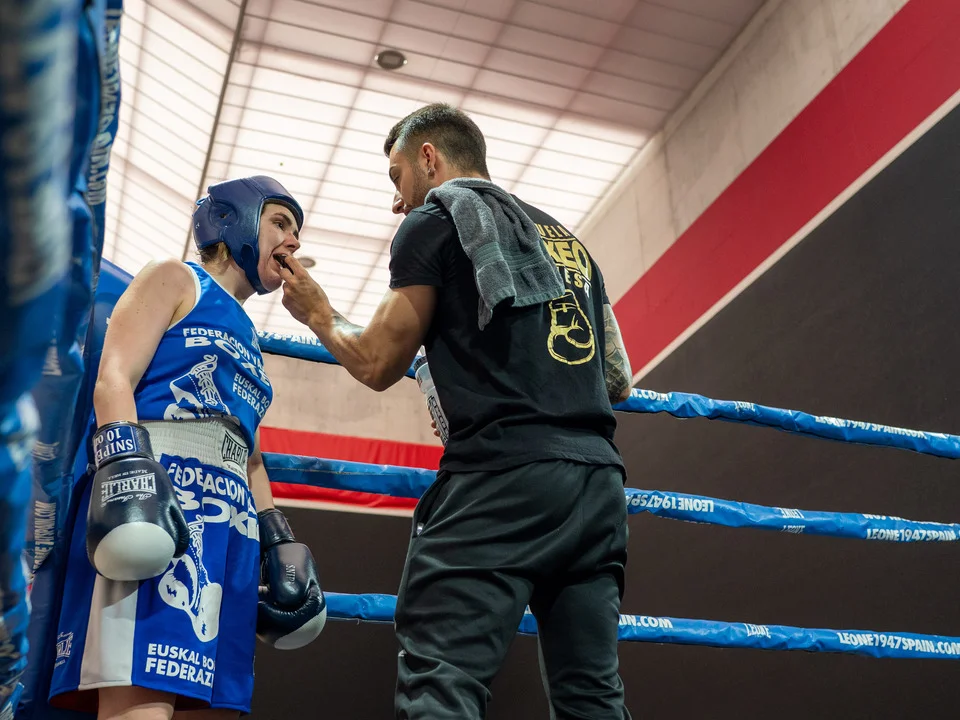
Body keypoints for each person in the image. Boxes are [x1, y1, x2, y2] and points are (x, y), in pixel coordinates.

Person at [280, 103, 634, 719]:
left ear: (429, 158)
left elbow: (377, 361)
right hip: (598, 488)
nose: (397, 202)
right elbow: (617, 379)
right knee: (592, 697)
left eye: (397, 178)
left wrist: (319, 312)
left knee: (440, 681)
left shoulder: (437, 220)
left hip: (503, 479)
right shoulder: (565, 240)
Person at [48, 176, 327, 720]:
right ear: (234, 219)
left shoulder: (249, 338)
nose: (294, 241)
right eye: (280, 223)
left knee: (211, 709)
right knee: (141, 704)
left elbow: (247, 451)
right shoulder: (175, 278)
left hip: (230, 526)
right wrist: (127, 473)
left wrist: (277, 537)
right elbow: (114, 378)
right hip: (161, 504)